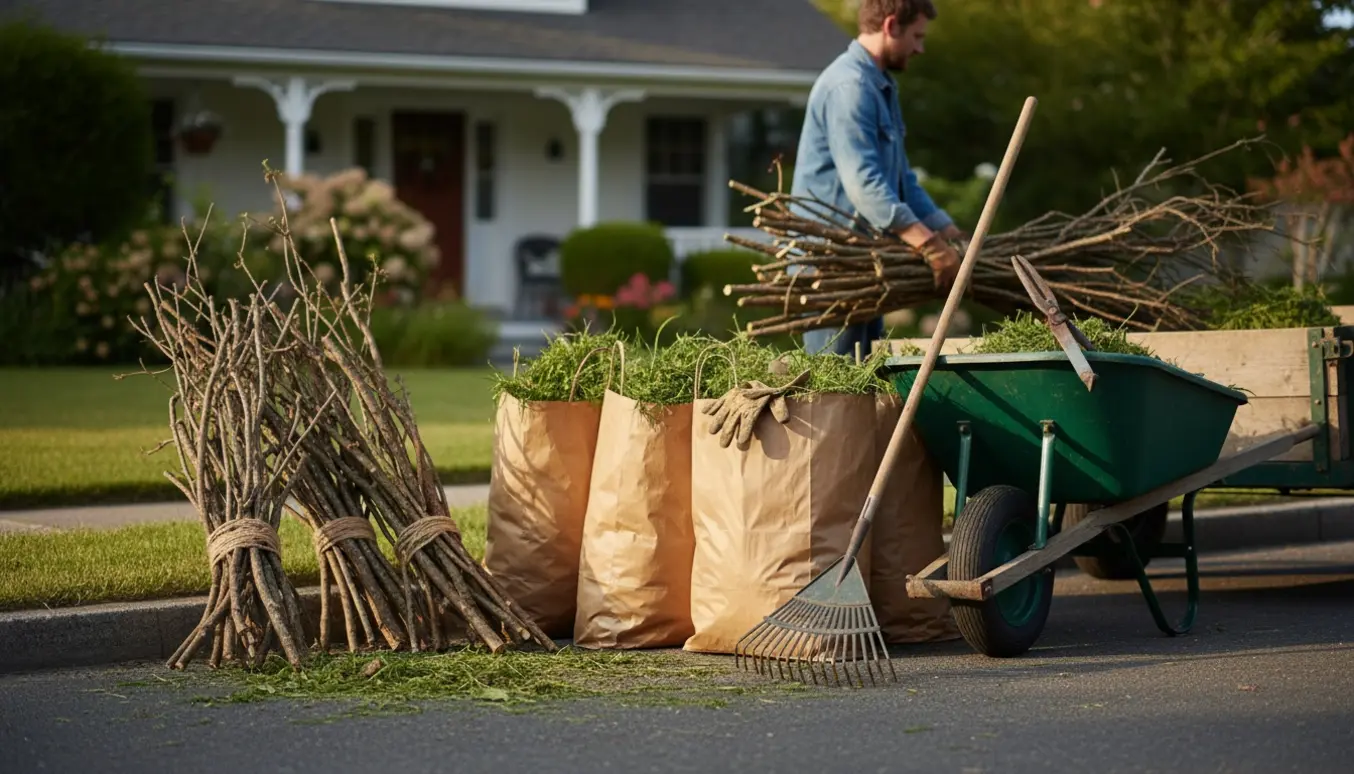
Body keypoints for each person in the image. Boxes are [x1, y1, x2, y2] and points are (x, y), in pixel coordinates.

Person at [792, 0, 969, 357]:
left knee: (865, 375)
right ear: (891, 26)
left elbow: (902, 182)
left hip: (866, 262)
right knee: (836, 379)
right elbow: (865, 184)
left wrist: (951, 234)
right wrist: (930, 246)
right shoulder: (849, 87)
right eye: (917, 36)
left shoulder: (880, 86)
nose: (919, 48)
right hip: (832, 266)